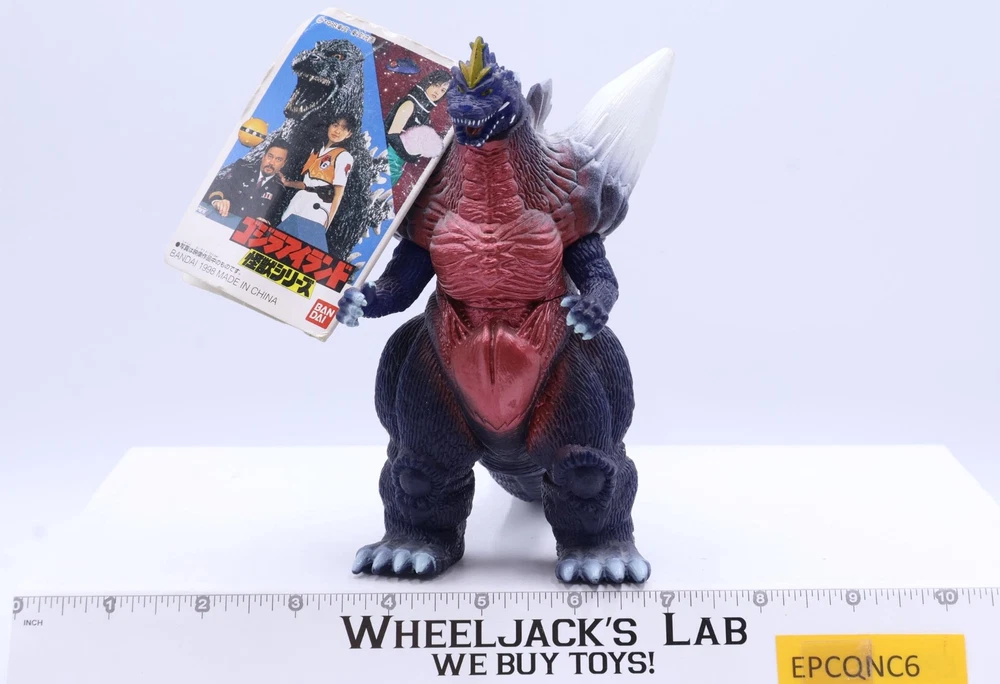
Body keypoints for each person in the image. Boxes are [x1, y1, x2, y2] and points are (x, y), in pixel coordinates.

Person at [277, 115, 357, 251]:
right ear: (329, 126)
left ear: (349, 134)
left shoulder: (344, 156)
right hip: (300, 200)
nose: (337, 131)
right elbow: (307, 185)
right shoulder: (317, 151)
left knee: (299, 248)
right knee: (280, 239)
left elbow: (338, 193)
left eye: (343, 129)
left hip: (318, 206)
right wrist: (287, 183)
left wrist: (327, 223)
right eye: (335, 125)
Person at [384, 70, 450, 184]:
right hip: (386, 159)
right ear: (428, 82)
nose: (437, 92)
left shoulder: (425, 114)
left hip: (397, 164)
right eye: (436, 85)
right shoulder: (410, 104)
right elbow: (392, 136)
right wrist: (409, 156)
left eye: (443, 90)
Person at [204, 139, 289, 225]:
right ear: (264, 157)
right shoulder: (242, 168)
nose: (272, 162)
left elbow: (275, 217)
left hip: (245, 231)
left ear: (283, 164)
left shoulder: (280, 190)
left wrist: (265, 223)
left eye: (278, 159)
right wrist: (217, 200)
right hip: (219, 221)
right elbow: (219, 186)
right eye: (270, 156)